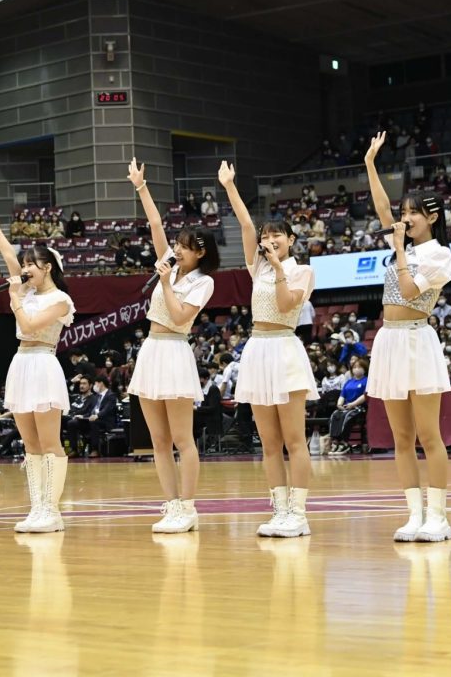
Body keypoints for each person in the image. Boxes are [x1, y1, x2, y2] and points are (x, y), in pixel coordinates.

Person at [364, 130, 451, 543]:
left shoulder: (439, 254)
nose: (404, 218)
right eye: (404, 212)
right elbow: (382, 207)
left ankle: (438, 516)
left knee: (428, 435)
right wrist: (369, 163)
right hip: (389, 340)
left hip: (419, 339)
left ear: (432, 217)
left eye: (414, 212)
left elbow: (410, 291)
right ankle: (414, 514)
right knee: (400, 438)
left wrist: (400, 248)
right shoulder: (401, 241)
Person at [220, 160, 318, 537]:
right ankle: (278, 510)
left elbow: (284, 304)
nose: (270, 239)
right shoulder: (255, 267)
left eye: (278, 235)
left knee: (294, 439)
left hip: (285, 348)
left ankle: (299, 512)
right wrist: (230, 186)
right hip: (258, 350)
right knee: (269, 442)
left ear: (291, 240)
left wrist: (278, 267)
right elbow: (245, 225)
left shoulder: (302, 270)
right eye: (266, 235)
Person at [126, 158, 218, 534]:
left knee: (183, 438)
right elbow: (155, 224)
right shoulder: (169, 260)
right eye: (177, 245)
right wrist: (141, 187)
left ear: (202, 253)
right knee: (159, 441)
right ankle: (171, 504)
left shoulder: (203, 283)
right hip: (151, 350)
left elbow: (181, 318)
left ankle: (189, 506)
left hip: (176, 350)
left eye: (186, 247)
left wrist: (165, 283)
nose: (177, 250)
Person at [0, 198, 75, 533]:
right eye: (24, 265)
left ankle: (52, 509)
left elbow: (33, 325)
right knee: (30, 443)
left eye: (31, 265)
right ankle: (37, 506)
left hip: (43, 362)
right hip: (21, 363)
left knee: (49, 441)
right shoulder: (27, 291)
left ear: (48, 267)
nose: (24, 269)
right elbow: (8, 254)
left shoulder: (60, 300)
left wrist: (14, 298)